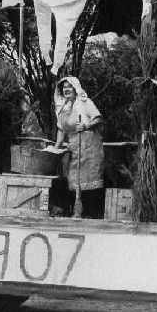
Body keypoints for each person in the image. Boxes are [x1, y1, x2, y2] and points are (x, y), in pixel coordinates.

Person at [54, 77, 105, 218]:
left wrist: (86, 125)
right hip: (74, 150)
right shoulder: (62, 108)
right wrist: (56, 147)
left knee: (89, 183)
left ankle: (91, 215)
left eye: (69, 87)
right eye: (64, 87)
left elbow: (98, 118)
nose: (66, 89)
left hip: (89, 149)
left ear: (76, 89)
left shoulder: (85, 103)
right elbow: (60, 130)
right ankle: (76, 213)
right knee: (73, 182)